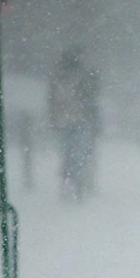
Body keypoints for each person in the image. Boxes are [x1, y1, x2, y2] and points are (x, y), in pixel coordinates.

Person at [47, 46, 101, 200]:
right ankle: (74, 183)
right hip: (75, 121)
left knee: (71, 154)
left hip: (68, 121)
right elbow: (91, 101)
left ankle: (72, 183)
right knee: (75, 154)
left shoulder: (61, 78)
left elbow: (53, 101)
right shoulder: (82, 77)